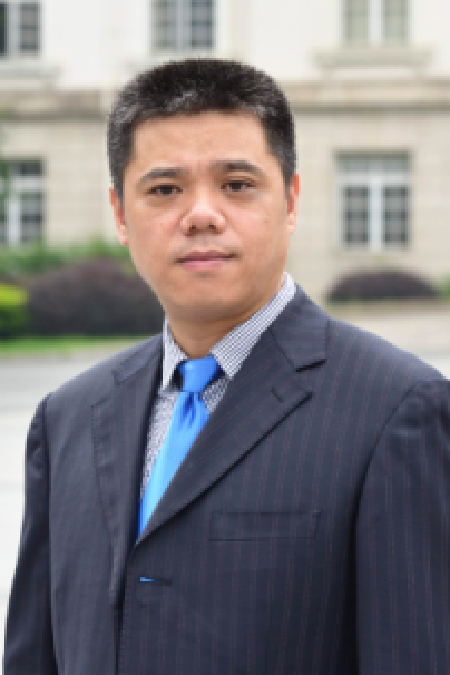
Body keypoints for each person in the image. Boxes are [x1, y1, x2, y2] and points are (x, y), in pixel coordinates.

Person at [3, 58, 449, 675]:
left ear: (290, 200)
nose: (201, 214)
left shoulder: (398, 410)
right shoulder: (68, 419)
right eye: (165, 190)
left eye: (237, 184)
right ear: (120, 214)